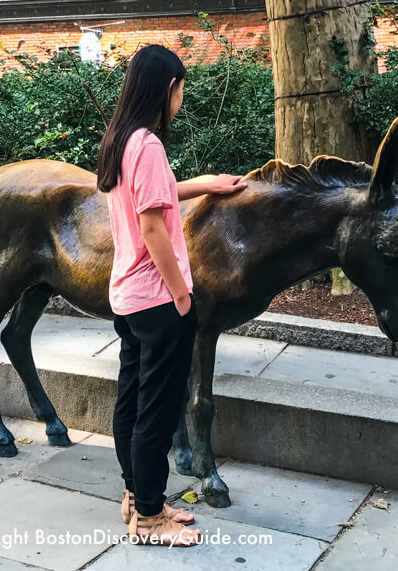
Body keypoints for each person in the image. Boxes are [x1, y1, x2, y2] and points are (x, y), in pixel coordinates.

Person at [96, 44, 248, 547]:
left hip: (128, 295)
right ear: (167, 89)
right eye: (181, 88)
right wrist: (183, 296)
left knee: (132, 400)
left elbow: (152, 194)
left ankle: (137, 496)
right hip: (159, 301)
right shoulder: (151, 145)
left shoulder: (121, 140)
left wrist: (205, 184)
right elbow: (154, 228)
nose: (181, 98)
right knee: (157, 412)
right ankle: (150, 519)